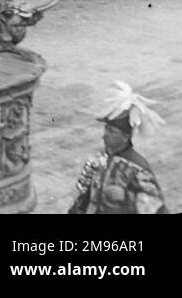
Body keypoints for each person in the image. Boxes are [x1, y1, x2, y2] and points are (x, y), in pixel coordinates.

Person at [68, 82, 167, 214]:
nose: (105, 135)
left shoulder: (138, 169)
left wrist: (126, 196)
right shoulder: (96, 161)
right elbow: (80, 200)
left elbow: (155, 209)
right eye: (106, 129)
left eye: (111, 131)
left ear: (125, 137)